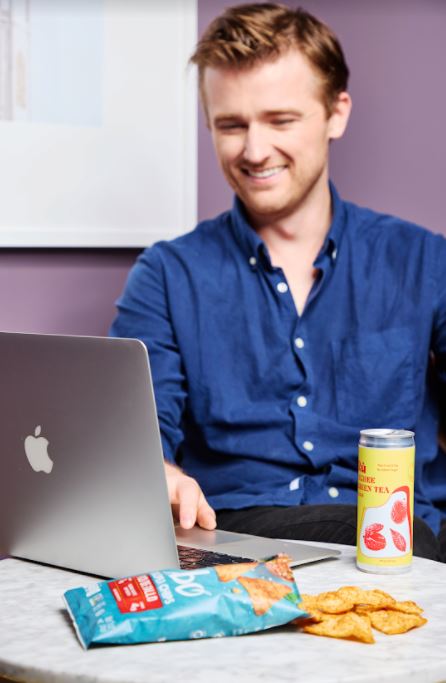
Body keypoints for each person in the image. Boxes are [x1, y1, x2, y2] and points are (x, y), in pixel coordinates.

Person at [110, 3, 446, 561]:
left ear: (336, 114)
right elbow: (139, 433)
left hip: (402, 541)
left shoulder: (423, 261)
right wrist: (158, 473)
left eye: (280, 121)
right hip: (241, 538)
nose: (254, 150)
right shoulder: (168, 275)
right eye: (231, 125)